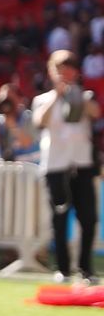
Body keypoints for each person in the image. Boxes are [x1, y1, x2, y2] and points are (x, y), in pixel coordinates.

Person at [32, 51, 99, 284]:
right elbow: (39, 121)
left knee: (88, 218)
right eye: (60, 68)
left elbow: (95, 113)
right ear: (51, 72)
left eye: (70, 67)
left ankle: (86, 268)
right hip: (56, 165)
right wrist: (57, 96)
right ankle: (62, 268)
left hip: (81, 163)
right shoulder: (43, 99)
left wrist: (76, 95)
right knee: (59, 218)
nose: (65, 73)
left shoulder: (85, 96)